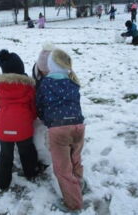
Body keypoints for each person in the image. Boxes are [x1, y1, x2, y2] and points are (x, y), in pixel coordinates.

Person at [36, 48, 85, 213]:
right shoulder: (73, 82)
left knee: (62, 169)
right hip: (79, 126)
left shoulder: (45, 83)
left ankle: (74, 204)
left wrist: (46, 119)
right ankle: (78, 184)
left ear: (50, 66)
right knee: (75, 159)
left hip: (59, 129)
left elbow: (40, 106)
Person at [0, 49, 39, 190]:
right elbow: (33, 109)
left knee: (5, 155)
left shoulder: (0, 87)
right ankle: (31, 172)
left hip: (3, 130)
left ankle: (2, 182)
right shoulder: (28, 88)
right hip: (23, 128)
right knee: (27, 151)